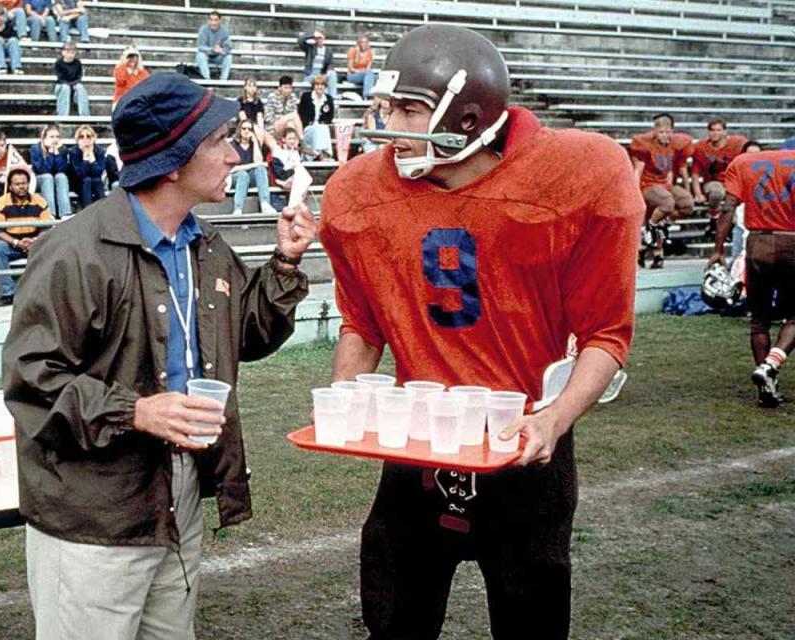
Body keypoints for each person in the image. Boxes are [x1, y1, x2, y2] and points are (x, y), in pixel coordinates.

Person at [320, 25, 643, 640]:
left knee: (531, 626)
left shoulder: (575, 174)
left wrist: (554, 419)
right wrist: (345, 396)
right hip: (418, 444)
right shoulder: (359, 191)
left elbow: (606, 334)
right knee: (392, 624)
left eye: (408, 110)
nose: (389, 125)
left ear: (467, 120)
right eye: (387, 106)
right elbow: (362, 323)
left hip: (524, 446)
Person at [1, 71, 316, 640]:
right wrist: (137, 412)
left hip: (178, 494)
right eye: (220, 142)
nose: (234, 154)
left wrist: (285, 263)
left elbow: (245, 336)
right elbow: (31, 378)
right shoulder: (75, 252)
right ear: (173, 162)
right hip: (94, 513)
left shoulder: (205, 245)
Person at [709, 148, 795, 409]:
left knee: (759, 320)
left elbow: (728, 208)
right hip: (792, 241)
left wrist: (717, 250)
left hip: (757, 242)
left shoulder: (743, 161)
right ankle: (771, 364)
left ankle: (766, 386)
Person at [628, 113, 694, 269]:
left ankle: (655, 231)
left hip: (663, 186)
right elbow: (638, 170)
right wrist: (634, 193)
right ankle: (651, 230)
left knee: (687, 203)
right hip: (647, 185)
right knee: (667, 203)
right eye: (661, 132)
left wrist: (685, 188)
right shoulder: (645, 145)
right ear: (654, 132)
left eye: (667, 132)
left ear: (672, 132)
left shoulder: (676, 145)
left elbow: (673, 168)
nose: (665, 135)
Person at [0, 167, 53, 306]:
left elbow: (47, 228)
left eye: (24, 183)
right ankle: (8, 293)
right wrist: (17, 243)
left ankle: (43, 293)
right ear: (11, 186)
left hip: (35, 242)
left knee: (52, 245)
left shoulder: (40, 201)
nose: (21, 187)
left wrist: (35, 241)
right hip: (12, 243)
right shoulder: (1, 202)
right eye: (17, 184)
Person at [691, 118, 747, 238]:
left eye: (718, 130)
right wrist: (698, 193)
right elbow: (695, 174)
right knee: (717, 192)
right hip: (712, 182)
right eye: (712, 130)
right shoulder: (701, 148)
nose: (715, 133)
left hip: (731, 182)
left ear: (724, 132)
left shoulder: (736, 145)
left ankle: (730, 226)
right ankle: (714, 220)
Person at [230, 120, 277, 216]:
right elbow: (233, 168)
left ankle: (265, 204)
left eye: (249, 129)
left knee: (261, 169)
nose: (247, 131)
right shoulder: (233, 145)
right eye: (244, 128)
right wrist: (252, 166)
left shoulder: (253, 145)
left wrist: (255, 142)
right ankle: (238, 209)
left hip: (250, 176)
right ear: (239, 130)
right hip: (236, 177)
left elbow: (258, 162)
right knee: (243, 175)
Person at [29, 124, 71, 218]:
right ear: (44, 138)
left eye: (57, 137)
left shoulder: (62, 149)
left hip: (54, 178)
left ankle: (65, 213)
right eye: (51, 137)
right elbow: (42, 170)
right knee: (48, 177)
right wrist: (51, 154)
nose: (55, 139)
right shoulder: (35, 149)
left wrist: (57, 154)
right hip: (39, 179)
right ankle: (49, 214)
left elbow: (62, 169)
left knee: (61, 176)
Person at [69, 124, 106, 208]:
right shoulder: (74, 152)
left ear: (93, 138)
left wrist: (92, 158)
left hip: (95, 181)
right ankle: (87, 210)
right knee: (87, 180)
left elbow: (98, 172)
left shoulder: (99, 151)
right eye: (81, 137)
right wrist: (85, 159)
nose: (85, 139)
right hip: (78, 182)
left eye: (88, 136)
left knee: (96, 180)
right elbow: (81, 174)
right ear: (77, 139)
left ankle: (104, 209)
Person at [298, 75, 334, 161]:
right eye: (317, 85)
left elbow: (330, 117)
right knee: (318, 128)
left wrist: (322, 122)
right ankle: (322, 155)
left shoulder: (328, 99)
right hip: (308, 128)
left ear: (325, 87)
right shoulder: (306, 97)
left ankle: (324, 154)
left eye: (322, 85)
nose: (319, 87)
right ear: (313, 86)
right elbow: (301, 113)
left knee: (322, 128)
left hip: (322, 128)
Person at [0, 6, 24, 75]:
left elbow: (14, 38)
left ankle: (16, 67)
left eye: (0, 15)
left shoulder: (9, 27)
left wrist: (5, 40)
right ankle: (1, 67)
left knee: (13, 41)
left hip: (7, 50)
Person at [195, 10, 233, 81]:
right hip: (206, 55)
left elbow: (228, 45)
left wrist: (223, 50)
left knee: (229, 56)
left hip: (218, 56)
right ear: (208, 21)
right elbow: (200, 46)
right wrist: (212, 49)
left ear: (219, 21)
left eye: (216, 20)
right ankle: (207, 79)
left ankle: (223, 80)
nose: (214, 23)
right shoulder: (203, 29)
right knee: (200, 55)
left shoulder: (224, 30)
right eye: (211, 20)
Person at [55, 41, 90, 117]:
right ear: (63, 52)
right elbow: (60, 79)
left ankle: (85, 115)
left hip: (74, 86)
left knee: (81, 87)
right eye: (68, 52)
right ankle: (62, 115)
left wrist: (76, 85)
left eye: (72, 53)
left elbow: (79, 77)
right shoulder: (58, 63)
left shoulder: (78, 63)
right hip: (62, 86)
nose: (70, 55)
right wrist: (71, 85)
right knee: (65, 88)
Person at [263, 75, 303, 140]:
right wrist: (284, 118)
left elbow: (295, 116)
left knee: (291, 124)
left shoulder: (293, 97)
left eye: (290, 88)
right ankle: (302, 141)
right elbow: (267, 118)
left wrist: (282, 117)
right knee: (293, 116)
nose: (288, 90)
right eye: (285, 88)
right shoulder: (272, 97)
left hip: (287, 125)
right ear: (280, 87)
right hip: (273, 128)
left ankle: (291, 146)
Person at [298, 30, 337, 98]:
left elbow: (331, 63)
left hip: (322, 73)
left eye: (320, 38)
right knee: (305, 89)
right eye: (317, 38)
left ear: (323, 38)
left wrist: (327, 71)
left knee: (333, 74)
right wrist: (312, 35)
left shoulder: (328, 50)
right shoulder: (310, 48)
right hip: (311, 73)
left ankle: (333, 97)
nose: (318, 40)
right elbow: (300, 40)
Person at [270, 128, 302, 197]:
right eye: (290, 139)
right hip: (282, 177)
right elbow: (279, 172)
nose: (292, 141)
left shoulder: (296, 152)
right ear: (284, 139)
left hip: (294, 178)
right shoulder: (277, 151)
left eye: (294, 139)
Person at [346, 33, 375, 99]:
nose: (364, 44)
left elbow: (368, 68)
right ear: (359, 43)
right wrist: (361, 71)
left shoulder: (370, 53)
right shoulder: (352, 51)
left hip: (365, 75)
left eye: (365, 42)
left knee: (377, 77)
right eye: (362, 42)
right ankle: (367, 94)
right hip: (353, 75)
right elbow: (350, 68)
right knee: (368, 73)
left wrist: (365, 72)